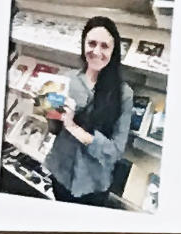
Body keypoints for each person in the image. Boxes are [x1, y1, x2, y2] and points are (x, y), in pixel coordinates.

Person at [44, 13, 135, 204]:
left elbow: (116, 151)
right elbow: (54, 130)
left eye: (104, 46)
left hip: (94, 183)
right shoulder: (67, 79)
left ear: (114, 50)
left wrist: (73, 127)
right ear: (83, 45)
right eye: (91, 43)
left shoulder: (124, 94)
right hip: (60, 172)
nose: (96, 51)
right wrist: (47, 110)